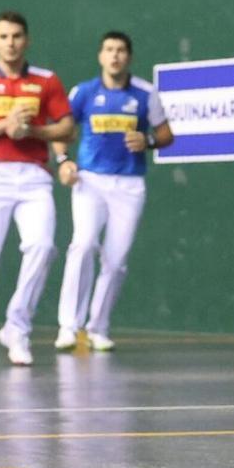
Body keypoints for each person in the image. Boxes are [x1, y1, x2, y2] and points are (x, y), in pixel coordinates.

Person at [0, 11, 74, 368]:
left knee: (43, 247)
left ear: (27, 40)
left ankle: (17, 327)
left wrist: (32, 131)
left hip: (35, 177)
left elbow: (67, 128)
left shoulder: (47, 81)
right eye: (3, 37)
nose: (11, 43)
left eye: (17, 36)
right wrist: (4, 125)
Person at [53, 31, 173, 353]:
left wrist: (147, 141)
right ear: (100, 56)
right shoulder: (84, 92)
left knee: (116, 261)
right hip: (90, 182)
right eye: (109, 50)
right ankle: (68, 326)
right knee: (83, 244)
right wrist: (63, 160)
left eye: (121, 50)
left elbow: (165, 135)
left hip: (130, 186)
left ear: (129, 57)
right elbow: (61, 130)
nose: (115, 56)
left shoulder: (146, 93)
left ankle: (98, 327)